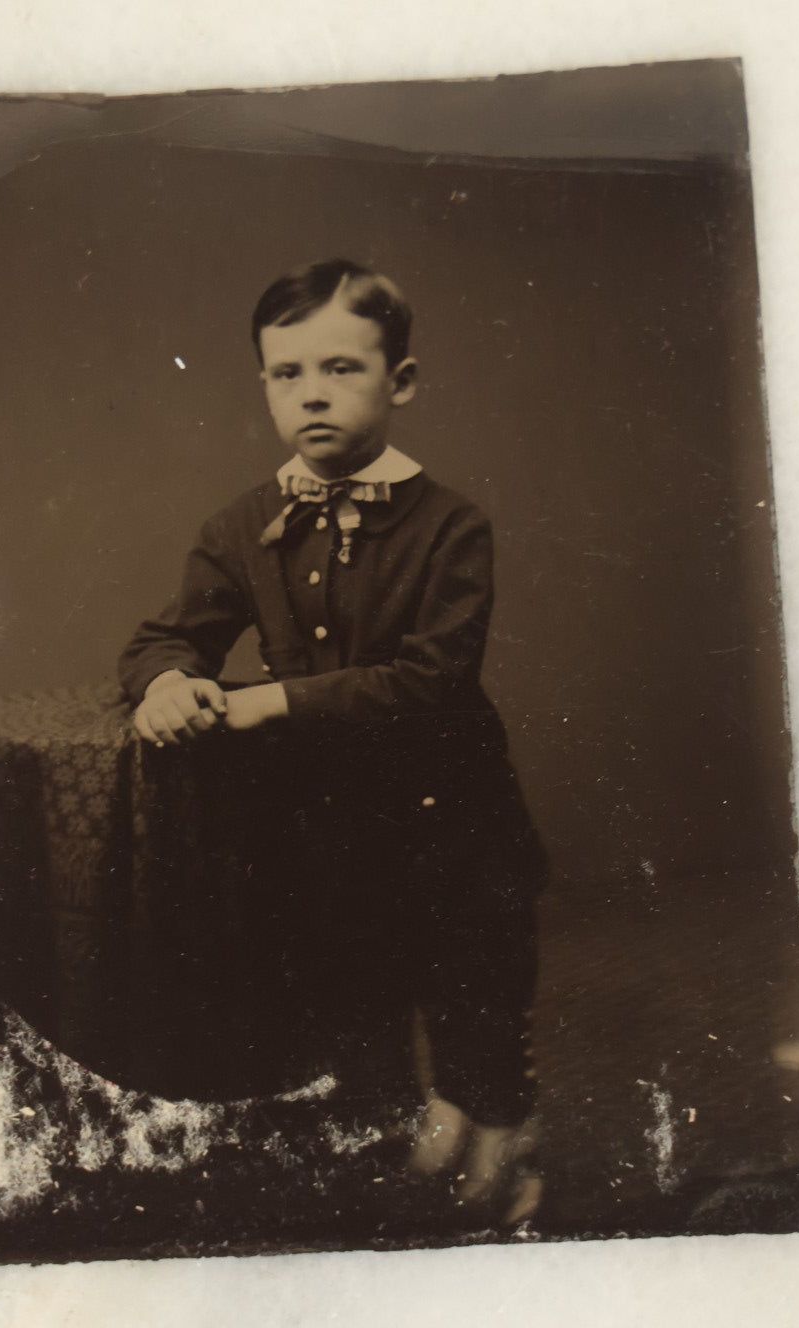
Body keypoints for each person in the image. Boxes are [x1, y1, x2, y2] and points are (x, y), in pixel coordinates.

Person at [118, 259, 547, 1220]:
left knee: (476, 1001)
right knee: (353, 1003)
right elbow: (165, 634)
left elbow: (432, 682)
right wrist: (168, 681)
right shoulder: (240, 526)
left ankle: (509, 1176)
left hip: (454, 823)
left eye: (343, 369)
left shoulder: (450, 527)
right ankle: (396, 1191)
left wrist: (271, 702)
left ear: (400, 383)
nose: (312, 392)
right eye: (286, 373)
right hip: (326, 829)